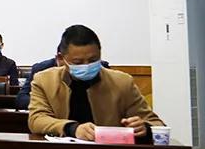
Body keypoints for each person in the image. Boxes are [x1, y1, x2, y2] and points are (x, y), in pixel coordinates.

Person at [28, 25, 163, 141]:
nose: (87, 65)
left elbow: (156, 124)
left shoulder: (122, 82)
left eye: (93, 60)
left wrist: (144, 128)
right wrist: (72, 128)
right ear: (61, 58)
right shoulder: (44, 80)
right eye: (78, 62)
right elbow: (37, 120)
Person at [16, 51, 110, 110]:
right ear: (59, 58)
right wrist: (46, 102)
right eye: (76, 61)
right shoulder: (41, 69)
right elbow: (21, 99)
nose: (82, 66)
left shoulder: (99, 68)